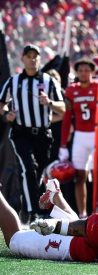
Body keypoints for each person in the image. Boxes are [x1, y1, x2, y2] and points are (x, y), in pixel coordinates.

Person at [0, 44, 65, 222]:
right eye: (28, 56)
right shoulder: (13, 82)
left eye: (35, 56)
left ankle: (30, 206)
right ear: (23, 59)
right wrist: (7, 115)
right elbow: (1, 103)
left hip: (43, 135)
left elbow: (63, 108)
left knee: (38, 173)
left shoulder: (48, 81)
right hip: (21, 133)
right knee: (28, 169)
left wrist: (49, 102)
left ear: (39, 58)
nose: (32, 59)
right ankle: (32, 212)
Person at [59, 59, 98, 217]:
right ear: (76, 73)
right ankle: (83, 214)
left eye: (86, 70)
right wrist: (63, 145)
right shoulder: (71, 90)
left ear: (92, 72)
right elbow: (67, 117)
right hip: (80, 136)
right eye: (81, 70)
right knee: (80, 175)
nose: (84, 73)